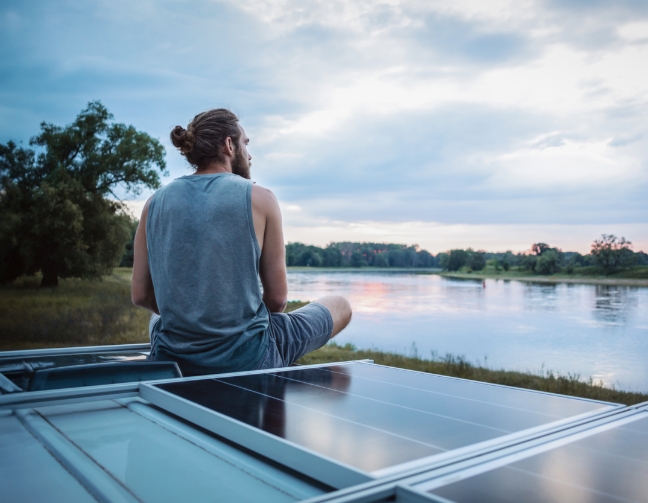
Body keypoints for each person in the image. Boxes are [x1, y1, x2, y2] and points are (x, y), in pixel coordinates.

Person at [131, 108, 352, 375]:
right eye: (245, 144)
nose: (249, 155)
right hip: (249, 357)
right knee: (341, 305)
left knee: (158, 317)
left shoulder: (153, 202)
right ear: (228, 145)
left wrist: (191, 318)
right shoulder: (261, 198)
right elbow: (278, 300)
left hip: (173, 355)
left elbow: (141, 294)